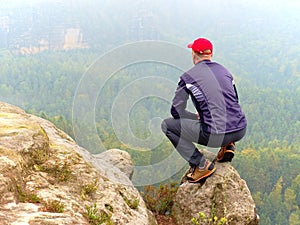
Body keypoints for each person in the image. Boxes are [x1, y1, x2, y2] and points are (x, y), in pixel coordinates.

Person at [161, 37, 247, 183]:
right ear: (211, 54)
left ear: (194, 54)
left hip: (214, 134)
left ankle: (200, 165)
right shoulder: (225, 71)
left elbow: (176, 111)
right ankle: (228, 146)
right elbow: (234, 101)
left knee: (167, 126)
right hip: (240, 130)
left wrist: (196, 117)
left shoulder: (188, 77)